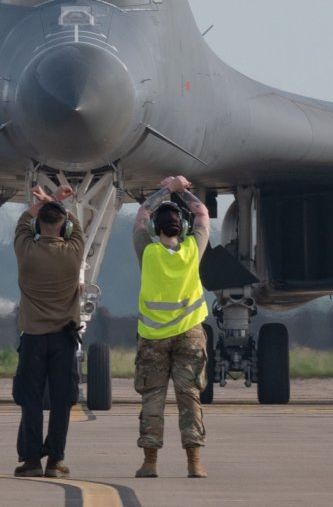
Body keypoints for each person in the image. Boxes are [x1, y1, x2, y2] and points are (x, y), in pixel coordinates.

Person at [131, 175, 210, 478]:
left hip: (153, 338)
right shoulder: (192, 251)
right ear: (183, 228)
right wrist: (183, 190)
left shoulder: (147, 252)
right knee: (189, 397)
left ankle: (150, 462)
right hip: (190, 335)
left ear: (155, 229)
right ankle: (194, 463)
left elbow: (141, 215)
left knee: (153, 397)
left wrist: (164, 190)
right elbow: (202, 213)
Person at [12, 183, 85, 478]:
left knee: (31, 400)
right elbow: (76, 226)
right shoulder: (73, 252)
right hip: (63, 340)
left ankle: (31, 461)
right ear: (64, 228)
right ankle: (55, 460)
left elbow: (22, 223)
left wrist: (45, 202)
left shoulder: (25, 250)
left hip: (32, 339)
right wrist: (57, 203)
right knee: (61, 401)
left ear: (38, 225)